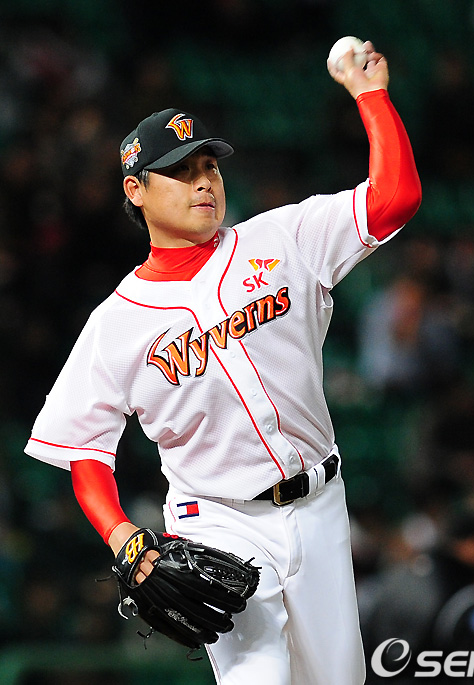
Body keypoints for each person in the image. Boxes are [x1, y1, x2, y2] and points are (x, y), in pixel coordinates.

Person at [25, 42, 421, 685]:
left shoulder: (283, 239)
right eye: (180, 171)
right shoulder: (115, 324)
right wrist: (122, 535)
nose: (204, 181)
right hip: (218, 522)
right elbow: (84, 451)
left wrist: (370, 95)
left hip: (322, 503)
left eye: (209, 165)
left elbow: (394, 198)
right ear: (135, 190)